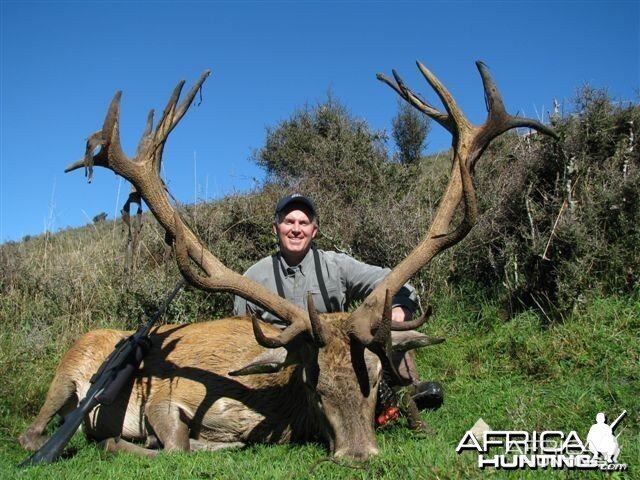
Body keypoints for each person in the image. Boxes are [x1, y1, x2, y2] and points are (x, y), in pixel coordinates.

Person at [233, 193, 443, 413]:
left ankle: (408, 393)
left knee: (386, 329)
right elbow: (240, 334)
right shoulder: (253, 278)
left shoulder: (337, 266)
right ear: (276, 228)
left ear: (314, 231)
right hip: (286, 361)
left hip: (336, 357)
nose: (296, 229)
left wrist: (400, 307)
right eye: (289, 222)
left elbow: (394, 281)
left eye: (303, 223)